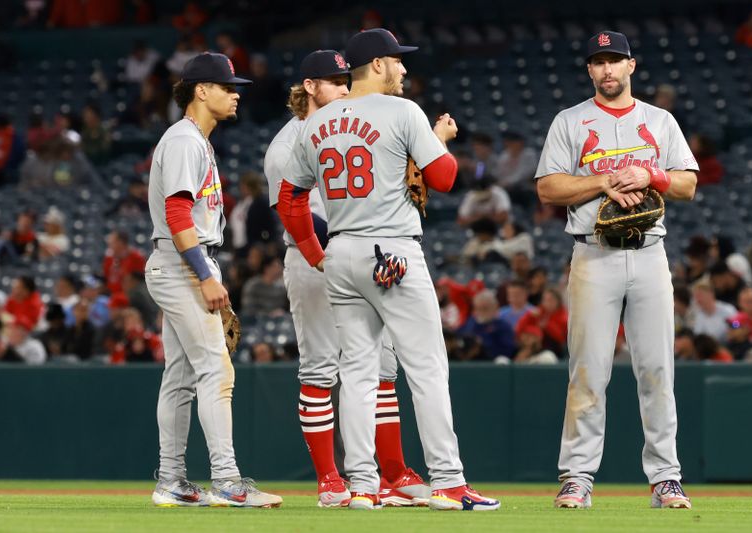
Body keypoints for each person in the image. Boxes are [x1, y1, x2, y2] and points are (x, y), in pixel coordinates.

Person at [276, 29, 499, 511]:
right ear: (376, 65)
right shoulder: (402, 111)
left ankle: (361, 485)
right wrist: (438, 141)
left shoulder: (315, 124)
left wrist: (315, 251)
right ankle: (449, 482)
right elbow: (443, 178)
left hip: (340, 252)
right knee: (426, 367)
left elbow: (288, 199)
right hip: (392, 249)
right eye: (397, 61)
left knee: (356, 372)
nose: (403, 68)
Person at [535, 31, 698, 509]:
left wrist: (652, 175)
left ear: (631, 66)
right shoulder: (571, 121)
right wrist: (602, 181)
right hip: (593, 253)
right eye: (598, 62)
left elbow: (688, 184)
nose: (607, 70)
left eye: (615, 61)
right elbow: (547, 189)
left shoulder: (659, 120)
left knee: (656, 369)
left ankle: (666, 477)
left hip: (649, 252)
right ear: (589, 70)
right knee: (588, 371)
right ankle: (578, 477)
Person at [265, 49, 429, 507]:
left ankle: (392, 473)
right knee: (321, 368)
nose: (344, 88)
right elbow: (292, 210)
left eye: (345, 79)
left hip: (361, 255)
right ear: (310, 87)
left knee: (382, 368)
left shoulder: (357, 126)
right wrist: (325, 258)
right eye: (334, 82)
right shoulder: (289, 142)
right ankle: (329, 480)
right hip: (312, 256)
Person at [144, 52, 281, 508]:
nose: (236, 93)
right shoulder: (185, 140)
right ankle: (227, 480)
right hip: (185, 262)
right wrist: (204, 275)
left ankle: (172, 481)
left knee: (181, 378)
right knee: (215, 371)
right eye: (227, 86)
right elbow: (178, 211)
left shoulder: (194, 140)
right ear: (202, 90)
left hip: (182, 259)